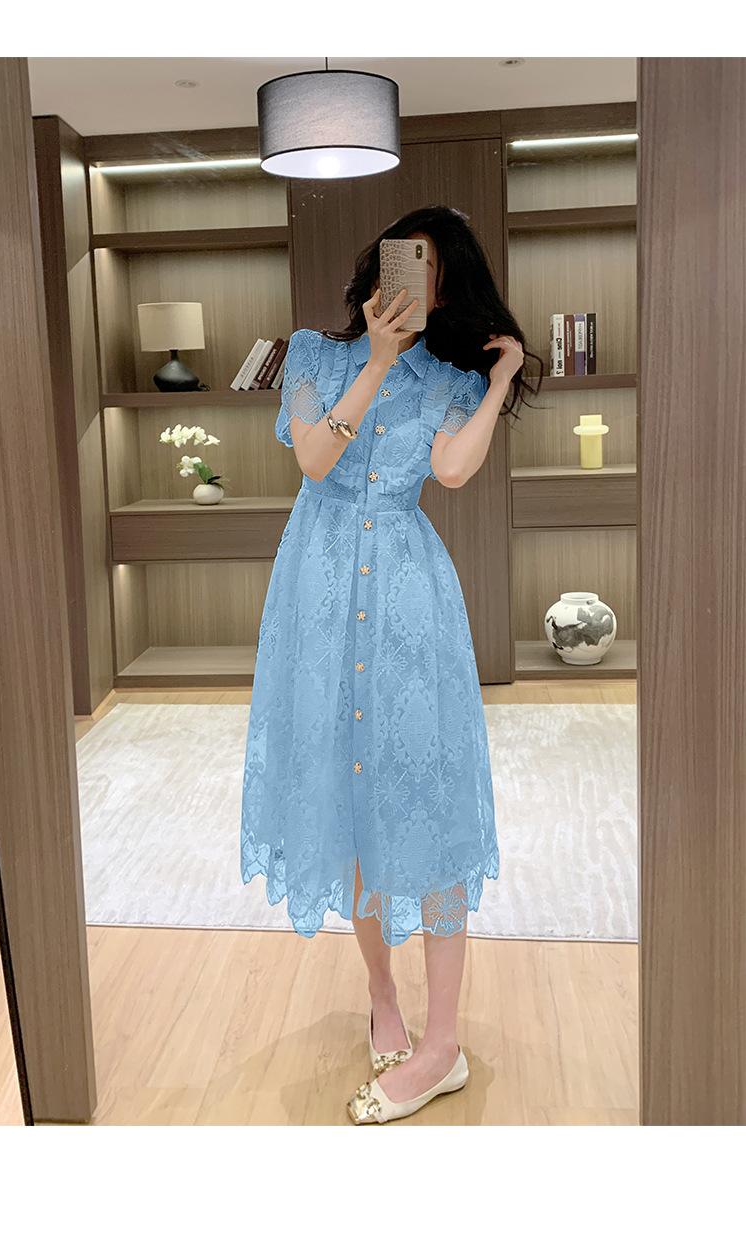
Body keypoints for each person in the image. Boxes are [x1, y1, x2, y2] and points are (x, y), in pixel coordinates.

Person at [240, 204, 541, 1124]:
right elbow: (315, 460)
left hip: (410, 600)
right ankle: (382, 993)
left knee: (426, 791)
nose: (407, 283)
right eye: (400, 262)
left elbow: (450, 473)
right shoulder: (313, 355)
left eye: (429, 272)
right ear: (377, 270)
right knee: (348, 794)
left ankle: (442, 1044)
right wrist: (373, 362)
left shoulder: (449, 381)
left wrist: (500, 380)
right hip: (320, 596)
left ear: (443, 292)